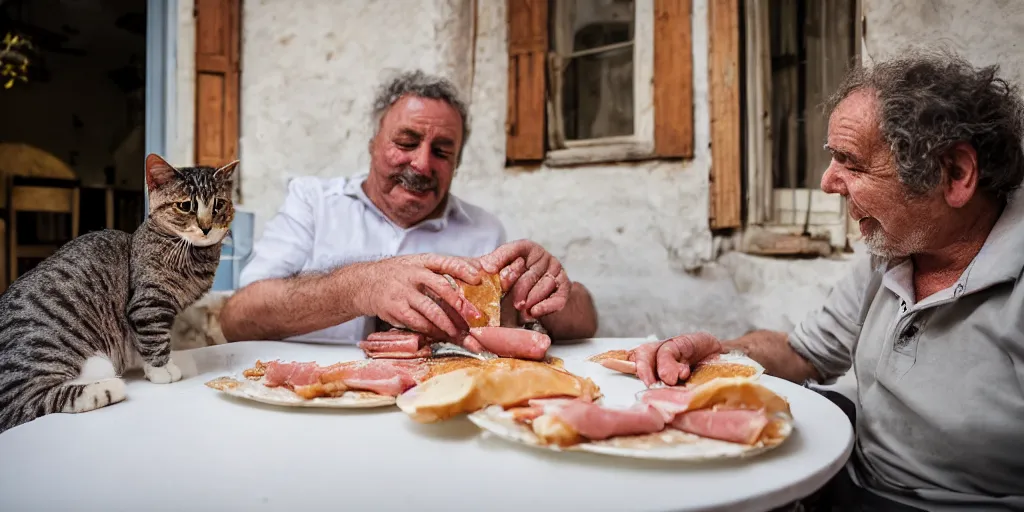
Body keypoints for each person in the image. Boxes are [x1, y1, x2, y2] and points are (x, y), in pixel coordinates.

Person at [634, 49, 1024, 511]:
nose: (827, 182)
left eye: (851, 162)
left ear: (954, 174)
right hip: (846, 478)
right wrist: (718, 352)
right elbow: (803, 354)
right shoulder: (894, 254)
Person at [219, 70, 598, 345]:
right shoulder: (313, 201)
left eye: (442, 151)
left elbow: (580, 321)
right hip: (305, 406)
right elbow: (238, 318)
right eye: (406, 141)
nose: (421, 164)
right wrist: (361, 287)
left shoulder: (484, 230)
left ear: (456, 164)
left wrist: (550, 286)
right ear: (373, 144)